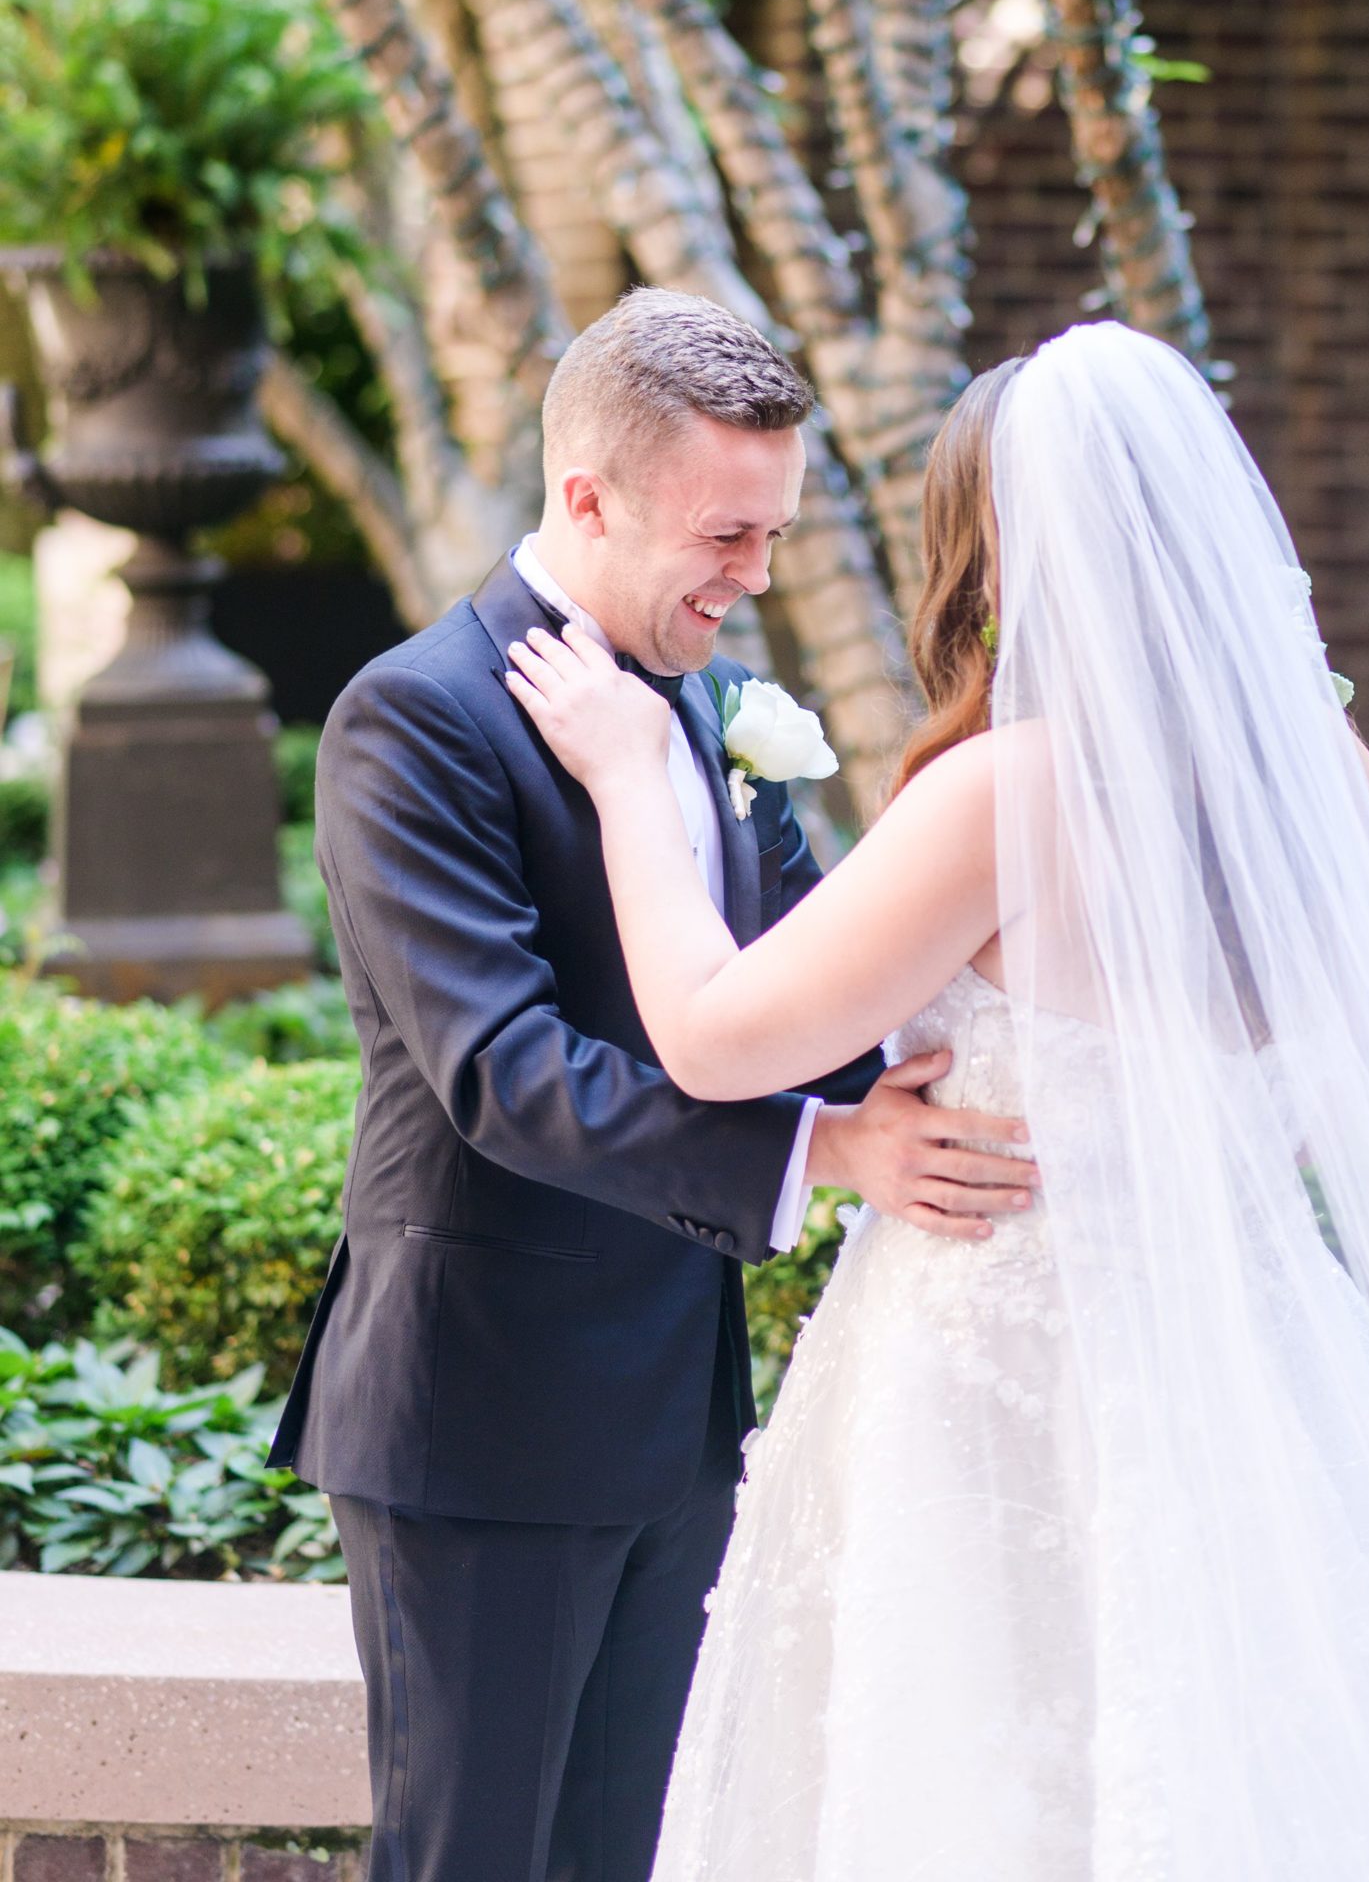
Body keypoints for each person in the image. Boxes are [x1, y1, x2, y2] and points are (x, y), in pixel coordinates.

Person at [507, 321, 1369, 1882]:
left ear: (994, 563)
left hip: (989, 1390)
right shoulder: (1344, 792)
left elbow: (718, 1039)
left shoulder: (1005, 794)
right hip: (1269, 1372)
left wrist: (624, 786)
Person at [270, 289, 1036, 1882]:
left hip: (677, 1420)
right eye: (726, 537)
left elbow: (817, 981)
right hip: (480, 1422)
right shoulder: (413, 721)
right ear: (588, 498)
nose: (753, 578)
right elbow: (506, 1073)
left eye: (773, 535)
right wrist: (824, 1155)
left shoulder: (706, 708)